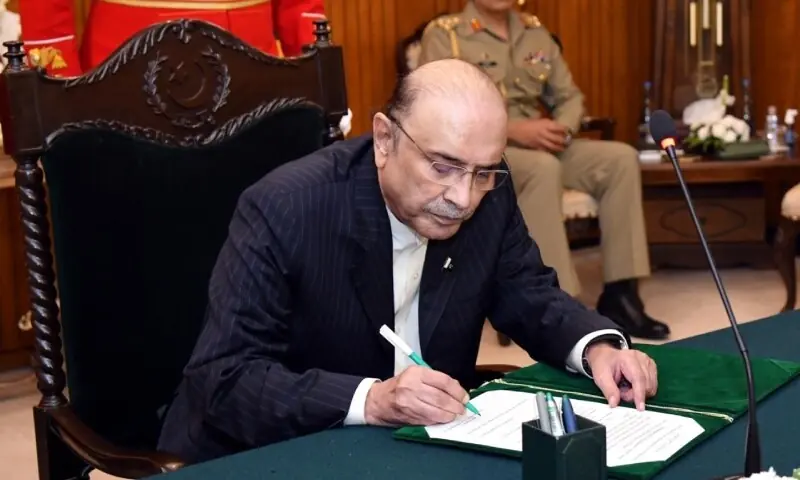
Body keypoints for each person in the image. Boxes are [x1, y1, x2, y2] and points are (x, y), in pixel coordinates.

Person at [157, 59, 659, 463]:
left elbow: (527, 291)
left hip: (422, 446)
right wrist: (372, 400)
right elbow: (222, 380)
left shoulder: (489, 190)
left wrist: (597, 347)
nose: (462, 198)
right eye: (442, 167)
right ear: (383, 140)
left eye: (482, 173)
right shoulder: (285, 208)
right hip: (277, 450)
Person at [417, 0, 670, 340]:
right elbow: (437, 106)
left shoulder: (535, 33)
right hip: (480, 151)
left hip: (542, 143)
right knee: (542, 168)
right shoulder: (446, 35)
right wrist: (515, 130)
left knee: (620, 159)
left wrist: (561, 130)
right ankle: (555, 305)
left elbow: (570, 98)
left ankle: (622, 294)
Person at [18, 0, 325, 76]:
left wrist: (314, 71)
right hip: (122, 76)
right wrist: (57, 85)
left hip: (253, 75)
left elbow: (300, 5)